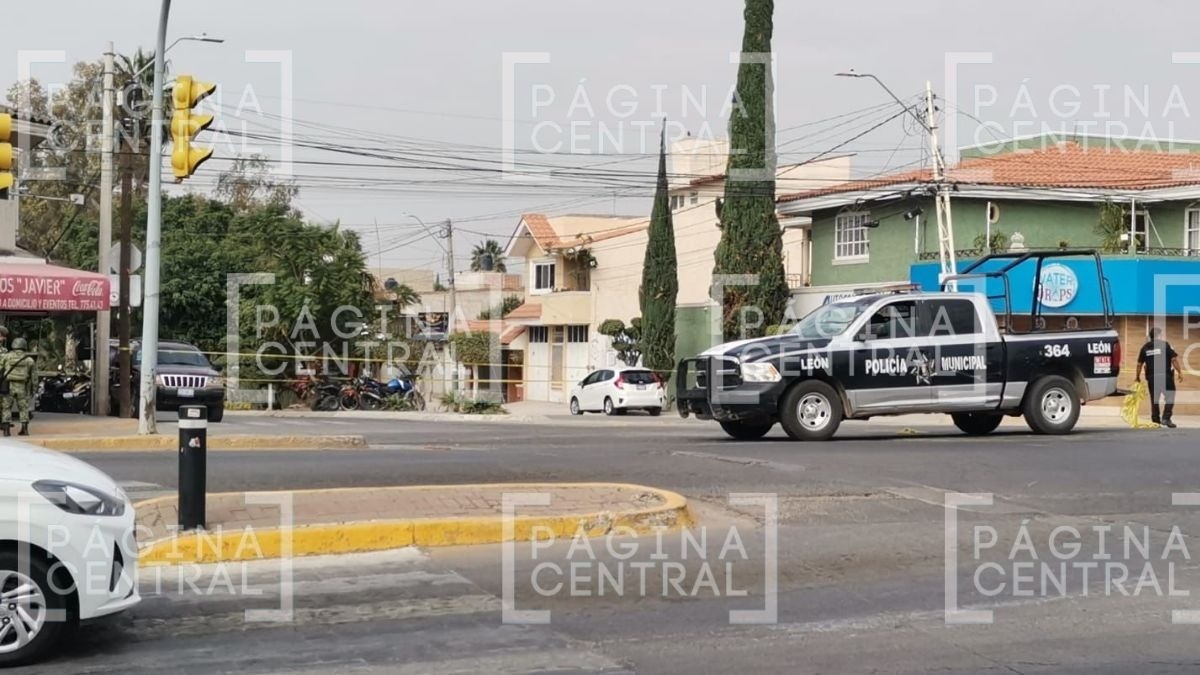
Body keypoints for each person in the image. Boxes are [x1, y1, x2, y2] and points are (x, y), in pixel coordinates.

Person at [1135, 327, 1184, 428]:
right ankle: (1166, 418)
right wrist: (1180, 372)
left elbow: (1139, 364)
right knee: (1170, 396)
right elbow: (1174, 359)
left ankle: (1156, 420)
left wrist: (1137, 377)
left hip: (1151, 377)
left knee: (1154, 399)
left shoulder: (1145, 347)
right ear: (1159, 335)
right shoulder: (1165, 345)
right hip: (1165, 375)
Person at [0, 337, 35, 436]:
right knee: (23, 408)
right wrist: (33, 389)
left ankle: (6, 431)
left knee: (6, 408)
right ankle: (24, 429)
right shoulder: (29, 360)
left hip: (8, 386)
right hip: (22, 387)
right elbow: (34, 377)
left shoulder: (6, 357)